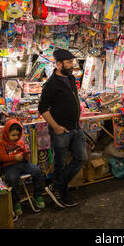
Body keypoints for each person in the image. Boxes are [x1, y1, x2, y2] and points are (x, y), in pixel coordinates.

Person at [38, 49, 88, 208]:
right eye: (69, 62)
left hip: (76, 128)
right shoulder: (51, 84)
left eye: (72, 62)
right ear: (59, 64)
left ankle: (56, 187)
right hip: (61, 131)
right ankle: (62, 191)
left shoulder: (72, 79)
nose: (72, 65)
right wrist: (56, 127)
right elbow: (42, 108)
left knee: (81, 158)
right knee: (60, 163)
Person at [0, 119, 45, 216]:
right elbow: (0, 157)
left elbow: (24, 153)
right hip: (9, 165)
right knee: (12, 178)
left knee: (37, 171)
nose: (16, 137)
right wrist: (14, 157)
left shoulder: (20, 142)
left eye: (18, 135)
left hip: (22, 163)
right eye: (13, 135)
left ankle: (38, 195)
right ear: (6, 133)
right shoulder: (1, 144)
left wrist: (26, 156)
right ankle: (16, 202)